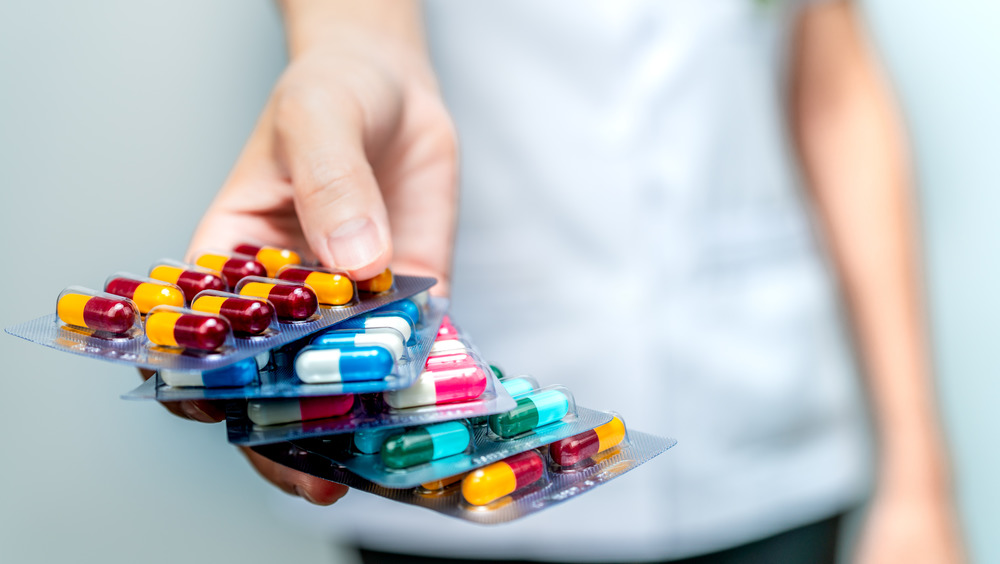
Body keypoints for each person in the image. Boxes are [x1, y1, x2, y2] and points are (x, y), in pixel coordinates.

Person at [162, 0, 965, 561]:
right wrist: (349, 60)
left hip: (769, 435)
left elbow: (834, 78)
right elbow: (360, 19)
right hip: (447, 464)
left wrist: (920, 486)